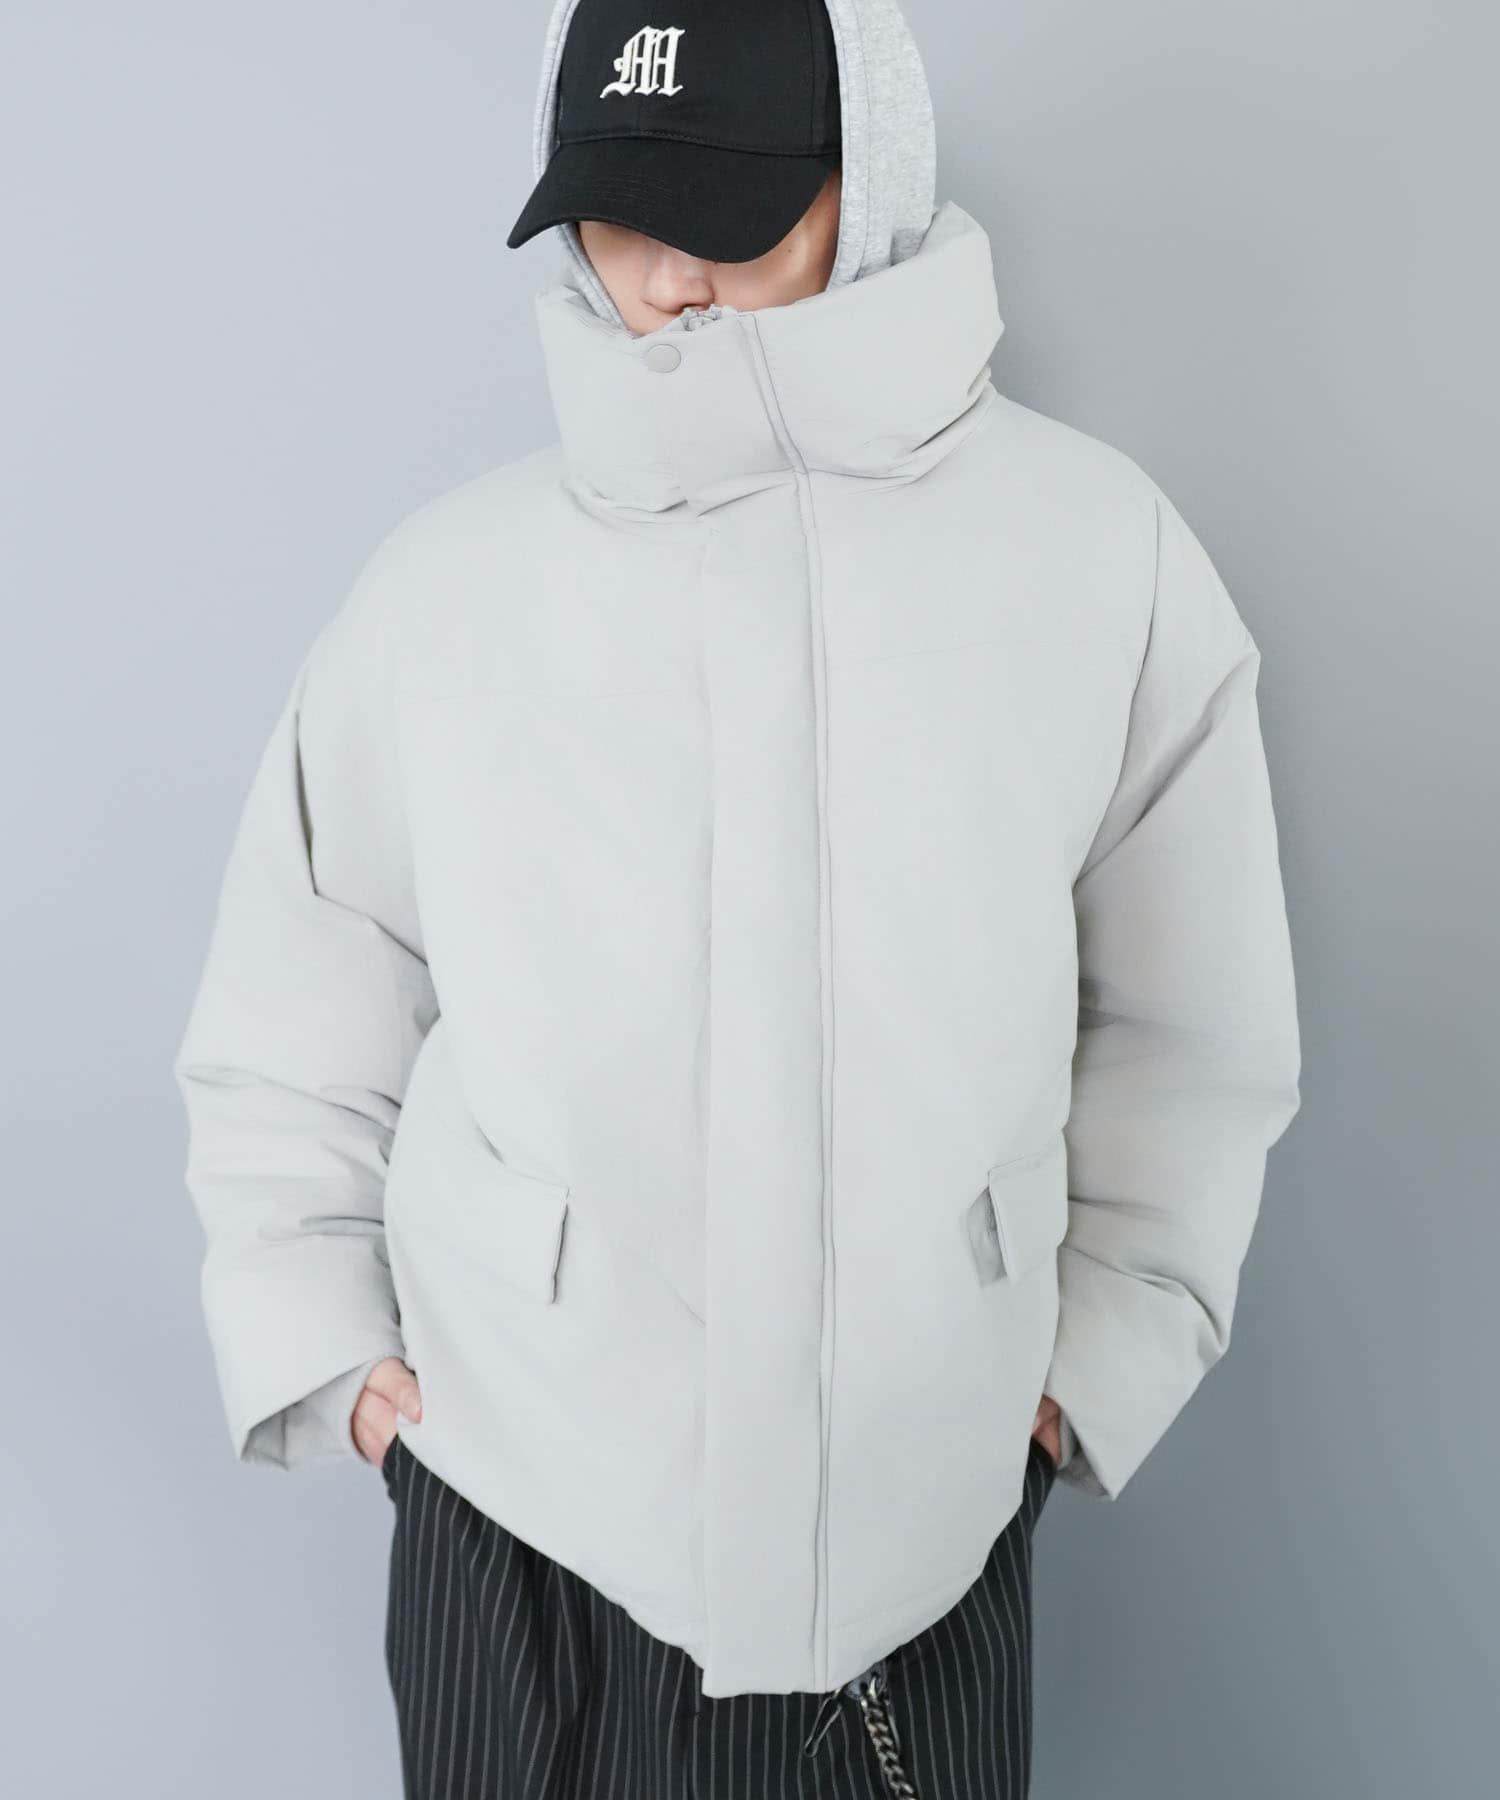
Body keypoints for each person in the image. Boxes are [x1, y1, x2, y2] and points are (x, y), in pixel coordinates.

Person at [172, 0, 1303, 1794]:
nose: (667, 278)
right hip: (519, 1525)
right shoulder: (447, 590)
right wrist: (327, 1345)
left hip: (927, 1525)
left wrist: (1095, 1361)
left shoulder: (1103, 558)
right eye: (622, 216)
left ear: (876, 180)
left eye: (729, 215)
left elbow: (1195, 1025)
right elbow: (299, 993)